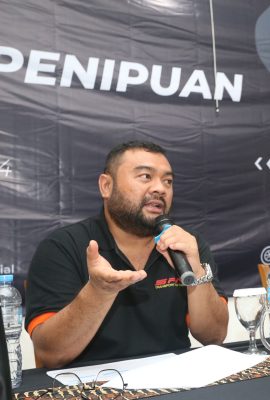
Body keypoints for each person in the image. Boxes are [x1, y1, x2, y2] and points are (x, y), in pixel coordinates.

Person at [25, 141, 229, 368]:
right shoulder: (62, 247)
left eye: (168, 181)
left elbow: (214, 337)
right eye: (145, 176)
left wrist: (197, 272)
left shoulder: (186, 245)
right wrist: (99, 291)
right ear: (106, 186)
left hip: (173, 380)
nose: (160, 188)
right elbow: (50, 353)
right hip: (93, 384)